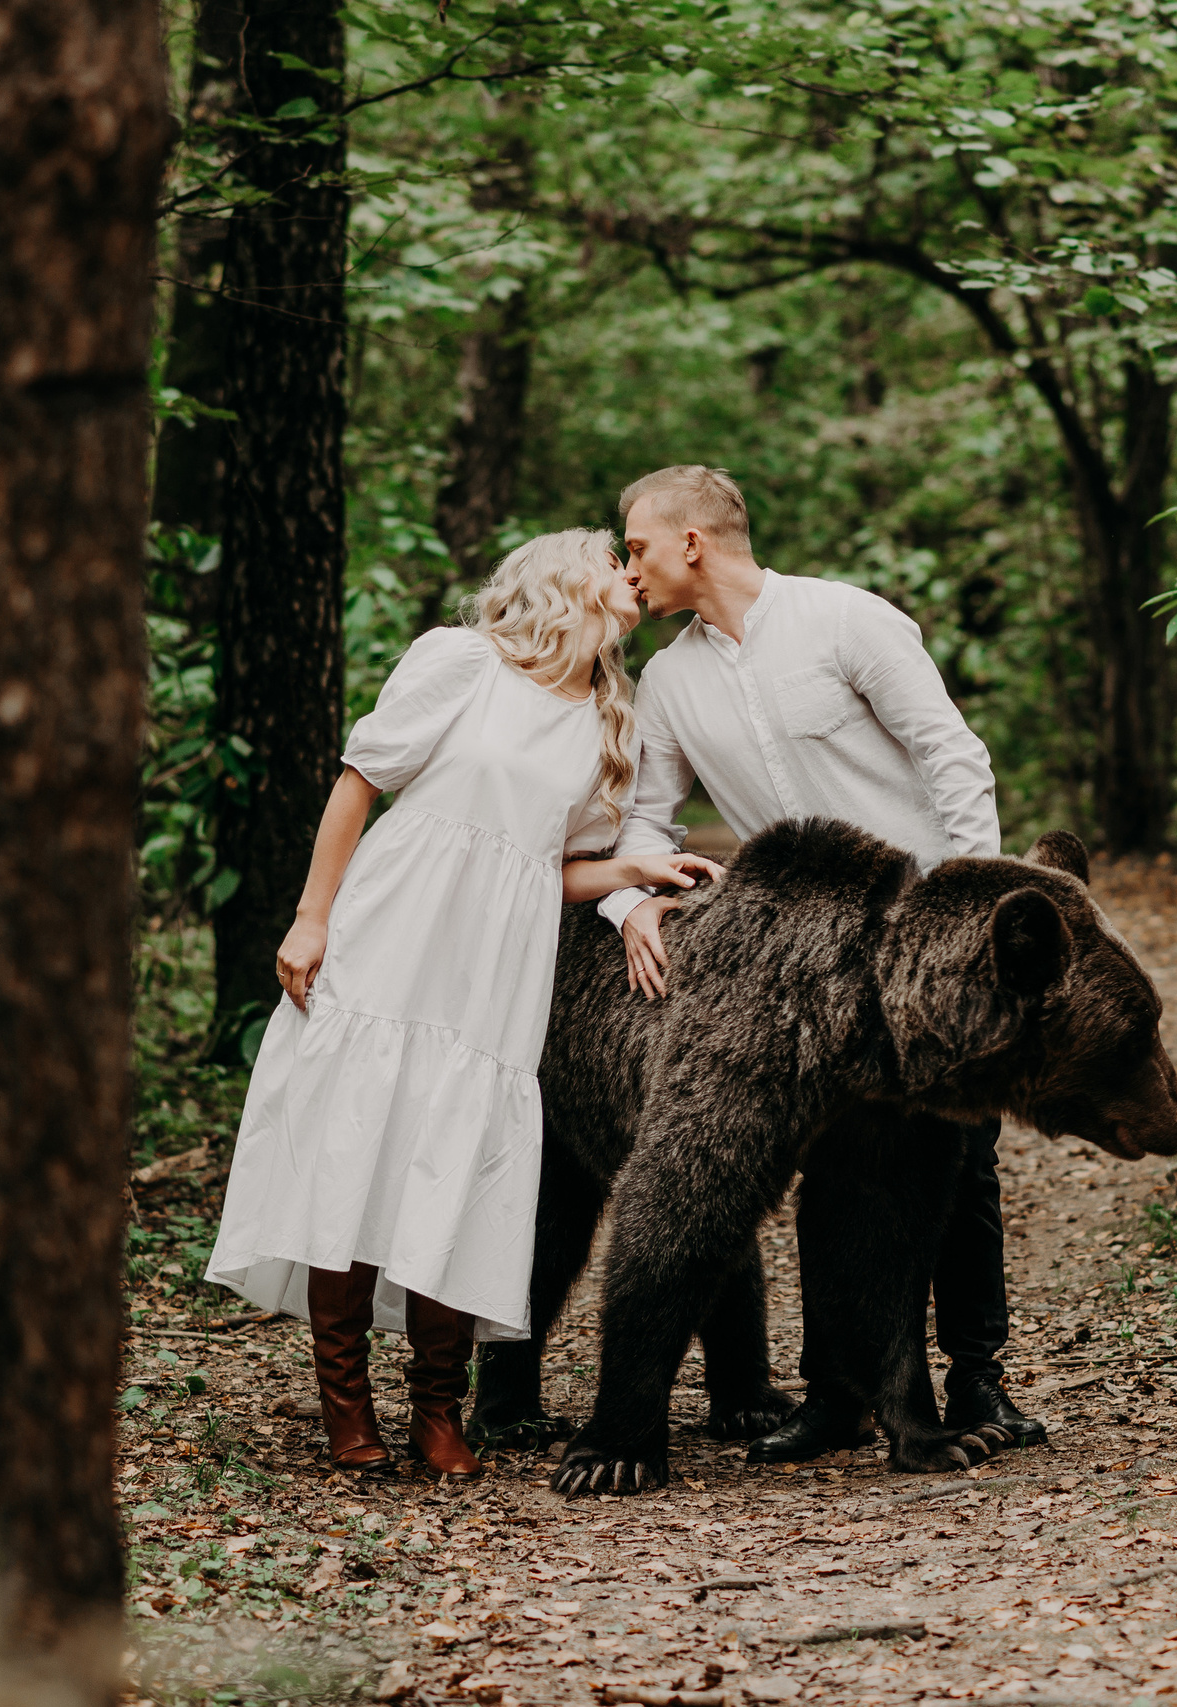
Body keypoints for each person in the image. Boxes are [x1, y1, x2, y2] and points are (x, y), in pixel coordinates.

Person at [204, 529, 725, 1479]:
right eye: (615, 557)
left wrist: (636, 869)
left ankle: (439, 1407)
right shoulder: (461, 662)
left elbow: (550, 865)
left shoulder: (612, 714)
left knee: (455, 1160)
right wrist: (311, 918)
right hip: (397, 925)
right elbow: (358, 785)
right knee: (357, 1150)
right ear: (564, 575)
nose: (631, 573)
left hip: (498, 957)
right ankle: (346, 1401)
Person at [594, 464, 1046, 1460]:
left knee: (955, 1161)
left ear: (692, 543)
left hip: (935, 929)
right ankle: (836, 1397)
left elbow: (951, 756)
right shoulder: (668, 681)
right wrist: (627, 900)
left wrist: (965, 913)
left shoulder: (848, 622)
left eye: (635, 545)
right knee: (836, 1163)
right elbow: (645, 823)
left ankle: (979, 1380)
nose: (627, 568)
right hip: (817, 965)